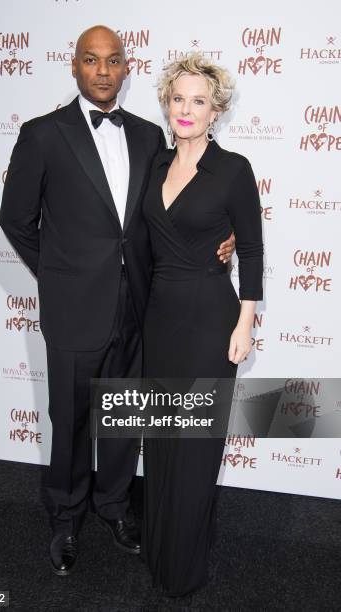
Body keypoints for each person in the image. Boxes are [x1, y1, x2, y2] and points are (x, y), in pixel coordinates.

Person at [0, 27, 235, 577]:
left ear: (126, 68)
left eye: (112, 61)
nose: (102, 71)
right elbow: (16, 220)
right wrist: (59, 276)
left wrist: (221, 240)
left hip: (138, 310)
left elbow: (169, 213)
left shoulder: (151, 137)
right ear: (75, 67)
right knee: (73, 419)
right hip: (74, 308)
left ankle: (114, 507)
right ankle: (65, 516)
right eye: (91, 61)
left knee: (124, 414)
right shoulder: (42, 135)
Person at [141, 53, 264, 596]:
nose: (186, 109)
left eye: (199, 101)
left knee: (195, 447)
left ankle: (183, 570)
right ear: (167, 105)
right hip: (159, 320)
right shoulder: (152, 165)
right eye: (178, 98)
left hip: (211, 323)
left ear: (216, 111)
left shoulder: (233, 169)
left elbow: (254, 252)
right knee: (164, 441)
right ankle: (160, 550)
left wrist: (245, 322)